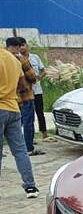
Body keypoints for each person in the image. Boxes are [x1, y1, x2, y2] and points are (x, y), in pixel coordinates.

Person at [0, 44, 39, 197]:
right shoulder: (13, 59)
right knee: (20, 150)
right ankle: (30, 187)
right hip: (13, 108)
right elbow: (22, 84)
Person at [6, 37, 44, 156]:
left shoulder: (3, 59)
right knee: (28, 121)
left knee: (12, 124)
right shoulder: (20, 59)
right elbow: (32, 77)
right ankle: (28, 147)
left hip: (10, 97)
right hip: (25, 96)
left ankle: (14, 147)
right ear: (17, 47)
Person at [18, 37, 49, 141]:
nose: (22, 48)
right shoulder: (18, 59)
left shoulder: (35, 57)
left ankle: (44, 133)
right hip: (26, 92)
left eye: (23, 45)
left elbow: (43, 70)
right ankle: (29, 137)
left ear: (27, 45)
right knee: (27, 116)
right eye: (20, 46)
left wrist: (39, 76)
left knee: (40, 112)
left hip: (37, 90)